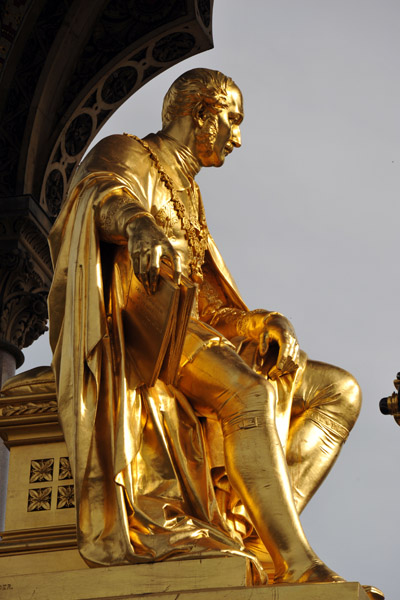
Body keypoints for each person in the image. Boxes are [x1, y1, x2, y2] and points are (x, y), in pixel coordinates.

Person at [48, 68, 362, 586]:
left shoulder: (191, 196)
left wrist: (263, 322)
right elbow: (99, 193)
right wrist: (137, 222)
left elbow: (211, 307)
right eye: (232, 120)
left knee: (339, 392)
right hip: (140, 331)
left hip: (191, 332)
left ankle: (260, 539)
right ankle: (298, 562)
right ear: (199, 111)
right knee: (249, 393)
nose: (236, 137)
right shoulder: (130, 152)